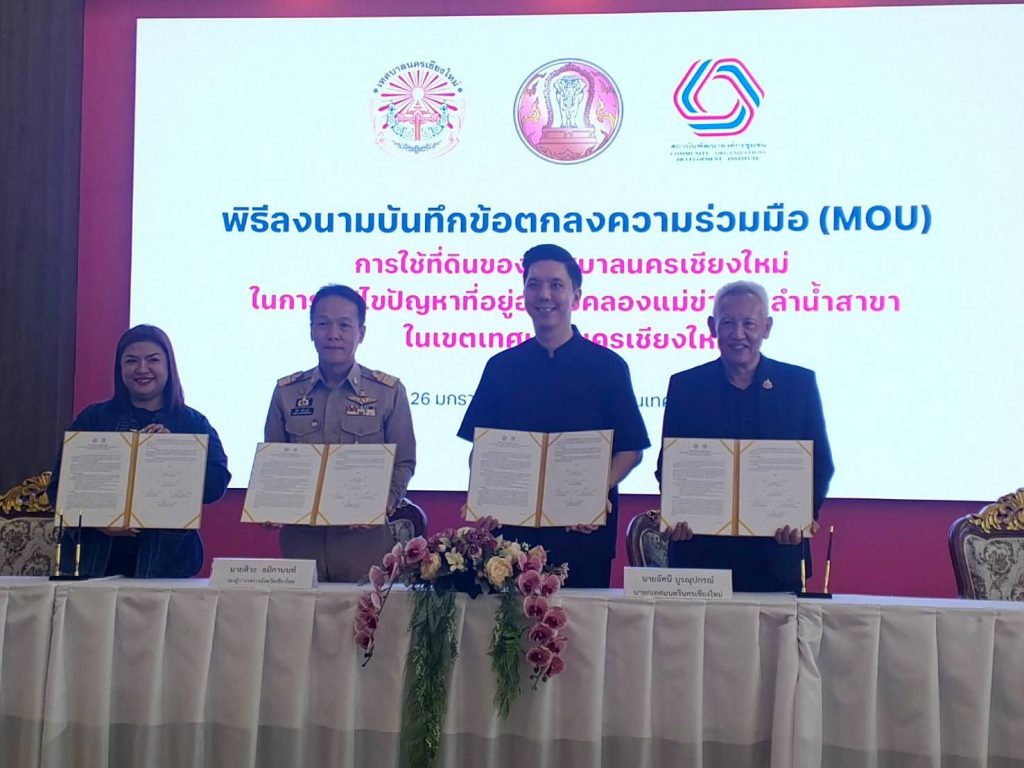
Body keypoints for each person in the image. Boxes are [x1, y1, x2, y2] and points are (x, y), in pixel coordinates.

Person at [458, 244, 650, 588]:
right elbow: (481, 450)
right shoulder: (501, 367)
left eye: (556, 285)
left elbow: (630, 450)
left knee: (580, 623)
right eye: (534, 284)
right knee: (509, 622)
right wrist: (483, 496)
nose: (544, 295)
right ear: (524, 294)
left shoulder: (608, 367)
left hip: (583, 534)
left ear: (576, 295)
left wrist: (595, 494)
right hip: (510, 541)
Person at [659, 280, 834, 592]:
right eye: (727, 323)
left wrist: (801, 515)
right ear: (712, 327)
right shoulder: (686, 386)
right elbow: (668, 465)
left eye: (749, 324)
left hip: (777, 552)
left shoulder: (798, 385)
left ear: (766, 327)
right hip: (701, 553)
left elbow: (821, 464)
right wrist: (679, 512)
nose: (738, 334)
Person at [48, 324, 230, 578]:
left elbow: (216, 486)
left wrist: (174, 454)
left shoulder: (193, 424)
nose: (142, 369)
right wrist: (97, 521)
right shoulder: (92, 419)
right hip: (94, 562)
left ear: (168, 366)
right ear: (120, 367)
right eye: (131, 361)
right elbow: (58, 490)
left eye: (153, 360)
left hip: (168, 565)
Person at [265, 284, 416, 582]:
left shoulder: (388, 392)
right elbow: (275, 464)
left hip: (365, 545)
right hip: (301, 544)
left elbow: (404, 462)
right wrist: (271, 504)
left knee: (365, 614)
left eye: (344, 325)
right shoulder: (287, 393)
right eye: (323, 324)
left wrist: (382, 504)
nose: (333, 334)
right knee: (300, 614)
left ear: (361, 333)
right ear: (311, 331)